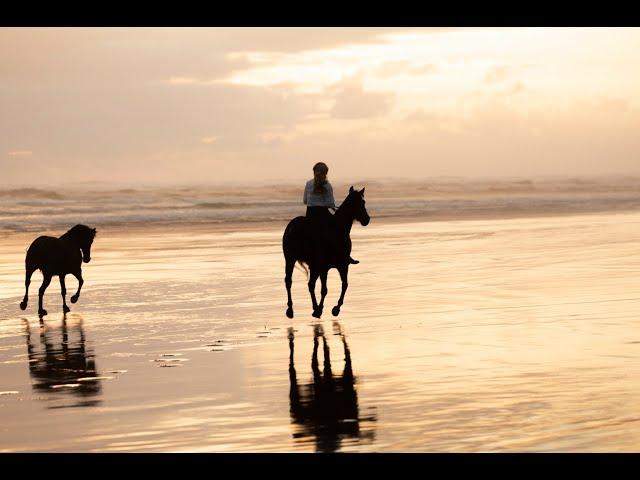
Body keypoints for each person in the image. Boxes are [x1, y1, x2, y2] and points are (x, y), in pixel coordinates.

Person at [303, 162, 359, 265]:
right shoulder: (327, 186)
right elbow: (330, 203)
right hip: (322, 214)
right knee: (339, 230)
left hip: (310, 214)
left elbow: (305, 201)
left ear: (314, 172)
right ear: (325, 174)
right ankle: (344, 255)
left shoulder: (308, 183)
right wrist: (328, 205)